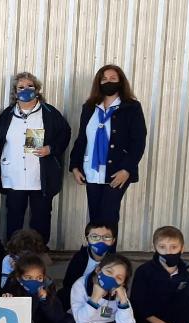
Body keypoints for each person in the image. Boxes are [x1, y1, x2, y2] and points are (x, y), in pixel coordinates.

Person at [0, 72, 71, 244]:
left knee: (41, 216)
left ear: (37, 89)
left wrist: (51, 149)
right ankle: (13, 251)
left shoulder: (49, 113)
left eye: (29, 86)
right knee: (14, 215)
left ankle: (40, 250)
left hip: (40, 175)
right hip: (14, 175)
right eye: (20, 87)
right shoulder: (7, 115)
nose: (25, 90)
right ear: (15, 92)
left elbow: (65, 134)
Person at [69, 64, 147, 231]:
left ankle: (109, 249)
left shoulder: (131, 107)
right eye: (104, 79)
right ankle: (94, 248)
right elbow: (82, 139)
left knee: (109, 217)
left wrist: (127, 169)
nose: (108, 82)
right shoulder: (89, 107)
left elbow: (138, 141)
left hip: (117, 171)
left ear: (120, 82)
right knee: (95, 218)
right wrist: (75, 166)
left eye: (113, 78)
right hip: (92, 171)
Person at [131, 226, 189, 323]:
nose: (168, 252)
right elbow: (138, 305)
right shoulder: (144, 272)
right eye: (162, 247)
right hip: (150, 318)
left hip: (173, 316)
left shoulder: (185, 275)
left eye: (173, 247)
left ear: (182, 249)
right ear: (155, 248)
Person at [68, 253, 145, 323]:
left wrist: (123, 300)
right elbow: (81, 320)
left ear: (123, 283)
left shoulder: (120, 291)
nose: (112, 279)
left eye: (119, 278)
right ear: (98, 270)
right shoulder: (80, 285)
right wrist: (94, 298)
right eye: (109, 272)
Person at [2, 253, 67, 323]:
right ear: (19, 278)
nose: (34, 281)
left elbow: (57, 316)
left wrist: (45, 300)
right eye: (28, 278)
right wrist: (8, 301)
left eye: (39, 278)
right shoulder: (12, 287)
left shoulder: (47, 287)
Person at [58, 221, 117, 310]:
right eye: (95, 237)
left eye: (107, 237)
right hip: (78, 295)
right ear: (87, 239)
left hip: (103, 300)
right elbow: (68, 283)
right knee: (62, 295)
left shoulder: (115, 262)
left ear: (113, 241)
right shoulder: (79, 257)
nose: (101, 241)